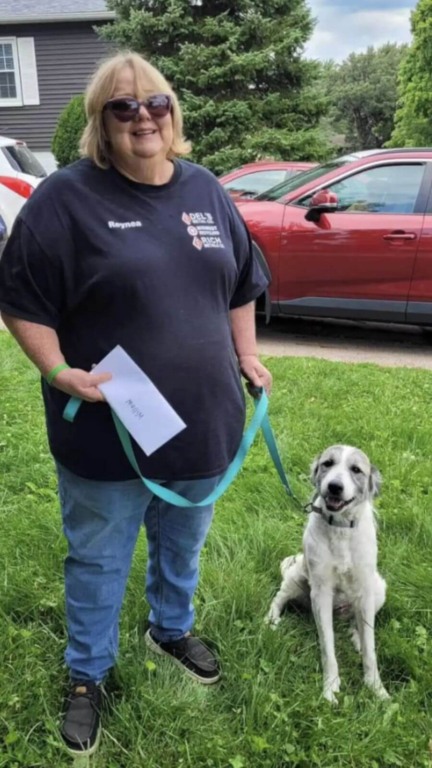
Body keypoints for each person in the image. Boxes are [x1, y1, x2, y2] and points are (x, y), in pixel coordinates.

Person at [0, 51, 272, 756]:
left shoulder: (207, 189)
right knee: (98, 558)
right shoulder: (65, 198)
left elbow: (242, 282)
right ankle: (87, 675)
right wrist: (60, 371)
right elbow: (22, 299)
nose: (143, 116)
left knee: (182, 541)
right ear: (101, 122)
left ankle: (170, 628)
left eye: (155, 102)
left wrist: (245, 354)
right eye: (123, 107)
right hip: (105, 427)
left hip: (203, 422)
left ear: (173, 112)